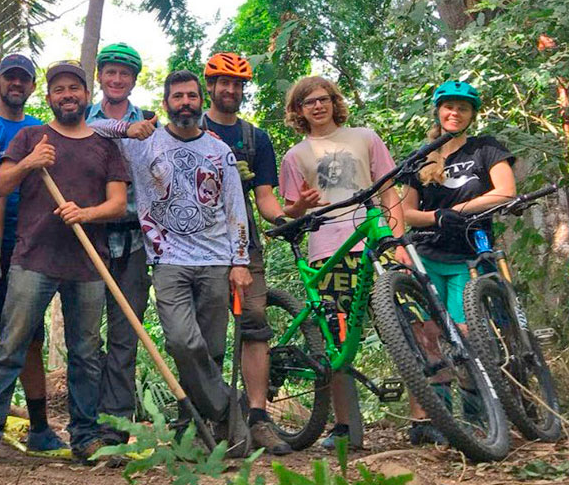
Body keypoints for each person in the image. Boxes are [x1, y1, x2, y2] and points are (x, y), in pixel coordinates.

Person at [0, 61, 129, 467]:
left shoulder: (106, 145)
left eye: (74, 88)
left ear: (86, 95)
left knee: (86, 352)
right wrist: (30, 163)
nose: (67, 95)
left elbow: (118, 203)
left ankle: (85, 437)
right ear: (49, 97)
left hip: (88, 264)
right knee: (12, 345)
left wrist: (85, 214)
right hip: (33, 259)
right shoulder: (30, 137)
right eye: (59, 90)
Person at [91, 70, 251, 452]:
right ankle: (233, 408)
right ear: (165, 104)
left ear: (201, 101)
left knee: (211, 349)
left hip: (216, 260)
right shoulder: (145, 143)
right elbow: (90, 128)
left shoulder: (219, 151)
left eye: (191, 96)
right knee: (182, 341)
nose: (185, 103)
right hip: (167, 258)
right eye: (177, 97)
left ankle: (194, 432)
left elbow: (235, 209)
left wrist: (240, 261)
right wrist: (127, 129)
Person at [278, 75, 403, 450]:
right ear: (298, 111)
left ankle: (424, 417)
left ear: (334, 101)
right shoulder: (294, 156)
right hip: (327, 250)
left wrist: (398, 239)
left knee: (405, 325)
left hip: (374, 242)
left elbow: (389, 188)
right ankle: (347, 428)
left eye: (323, 99)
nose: (317, 106)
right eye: (308, 102)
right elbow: (288, 210)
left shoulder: (366, 137)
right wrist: (300, 205)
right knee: (337, 338)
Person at [399, 80, 515, 446]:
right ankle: (435, 419)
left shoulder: (486, 148)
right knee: (426, 336)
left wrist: (453, 211)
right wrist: (435, 219)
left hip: (468, 255)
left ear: (472, 114)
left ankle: (480, 418)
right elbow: (405, 212)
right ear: (438, 111)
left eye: (462, 108)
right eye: (448, 106)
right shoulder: (421, 157)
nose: (454, 112)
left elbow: (504, 191)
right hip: (427, 254)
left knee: (465, 335)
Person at [0, 53, 65, 452]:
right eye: (10, 78)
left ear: (32, 86)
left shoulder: (40, 131)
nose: (16, 85)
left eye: (24, 79)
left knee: (30, 338)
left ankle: (39, 427)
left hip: (28, 247)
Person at [198, 53, 292, 455]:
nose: (230, 90)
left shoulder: (256, 139)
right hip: (197, 246)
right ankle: (211, 415)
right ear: (210, 86)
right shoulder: (189, 127)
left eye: (237, 84)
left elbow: (266, 201)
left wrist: (294, 212)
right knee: (204, 328)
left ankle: (258, 417)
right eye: (223, 83)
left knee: (254, 322)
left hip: (244, 243)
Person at [85, 42, 154, 445]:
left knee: (126, 335)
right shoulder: (85, 117)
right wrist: (126, 130)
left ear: (133, 80)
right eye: (110, 71)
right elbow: (92, 134)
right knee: (87, 335)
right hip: (91, 236)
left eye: (124, 74)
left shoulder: (149, 122)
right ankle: (86, 421)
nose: (116, 79)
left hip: (135, 240)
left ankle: (116, 426)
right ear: (100, 76)